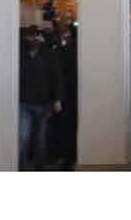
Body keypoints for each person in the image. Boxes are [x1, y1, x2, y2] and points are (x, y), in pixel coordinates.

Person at [19, 26, 62, 171]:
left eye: (36, 36)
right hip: (24, 102)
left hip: (44, 102)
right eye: (30, 36)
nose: (33, 39)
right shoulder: (19, 54)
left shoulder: (48, 54)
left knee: (40, 138)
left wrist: (57, 99)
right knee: (23, 137)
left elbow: (56, 77)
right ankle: (23, 166)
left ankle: (39, 166)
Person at [51, 13, 78, 170]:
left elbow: (57, 74)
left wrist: (57, 97)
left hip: (65, 95)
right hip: (75, 94)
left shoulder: (62, 51)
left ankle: (66, 159)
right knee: (72, 127)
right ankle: (71, 157)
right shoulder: (80, 52)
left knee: (65, 127)